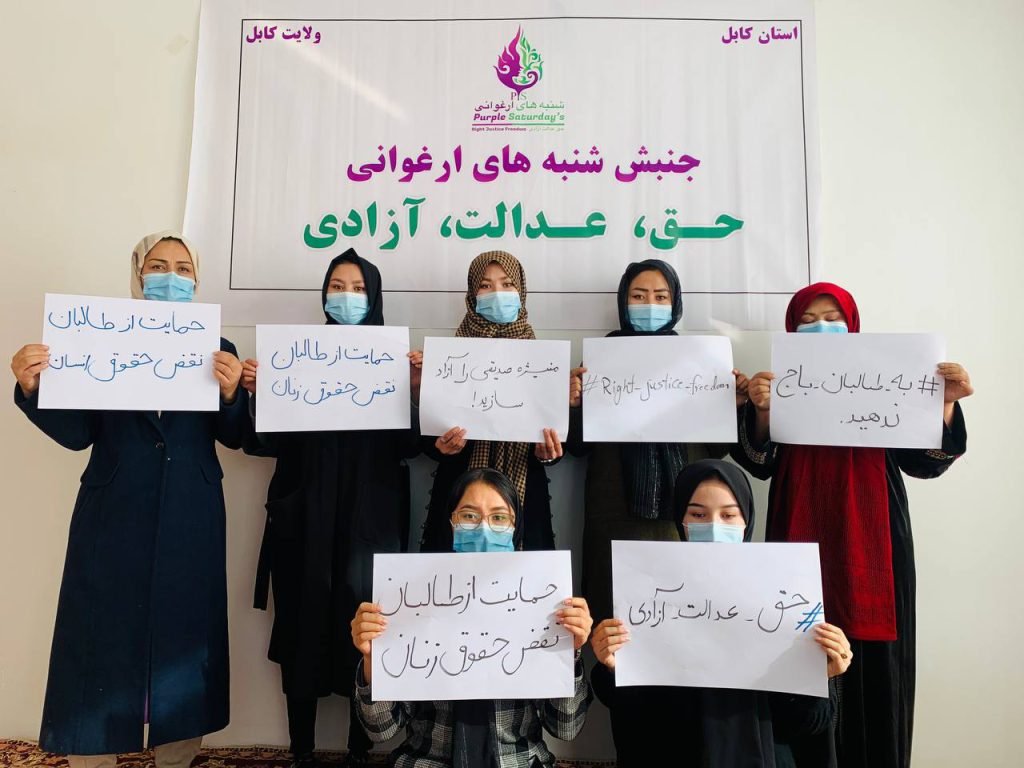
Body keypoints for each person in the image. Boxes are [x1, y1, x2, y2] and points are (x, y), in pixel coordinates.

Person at [9, 231, 248, 767]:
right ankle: (90, 754)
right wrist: (32, 389)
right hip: (113, 509)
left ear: (197, 280)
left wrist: (233, 394)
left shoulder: (220, 349)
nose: (171, 277)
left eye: (183, 268)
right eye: (158, 266)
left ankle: (178, 754)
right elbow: (78, 434)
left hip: (191, 512)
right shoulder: (95, 338)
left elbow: (235, 437)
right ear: (138, 275)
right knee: (98, 631)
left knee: (186, 636)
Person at [735, 282, 972, 768]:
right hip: (799, 531)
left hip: (875, 542)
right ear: (791, 330)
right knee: (797, 648)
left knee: (875, 674)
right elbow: (759, 462)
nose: (821, 328)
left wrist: (944, 403)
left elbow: (925, 463)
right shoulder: (784, 384)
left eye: (833, 319)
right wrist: (760, 412)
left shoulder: (887, 377)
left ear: (853, 326)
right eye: (807, 321)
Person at [240, 248, 421, 768]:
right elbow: (261, 443)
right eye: (337, 287)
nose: (347, 297)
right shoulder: (295, 358)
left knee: (367, 630)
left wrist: (413, 393)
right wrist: (260, 394)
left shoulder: (393, 363)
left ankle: (360, 749)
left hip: (371, 524)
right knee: (301, 625)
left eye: (358, 288)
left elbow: (409, 447)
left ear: (376, 296)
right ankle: (301, 750)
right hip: (305, 523)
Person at [590, 459, 851, 767]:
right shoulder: (648, 593)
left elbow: (805, 725)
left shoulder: (783, 595)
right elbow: (632, 714)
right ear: (680, 519)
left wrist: (818, 678)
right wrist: (613, 668)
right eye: (698, 514)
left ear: (747, 520)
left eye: (728, 515)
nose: (714, 526)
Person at [351, 468, 593, 767]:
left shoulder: (543, 603)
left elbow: (566, 728)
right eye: (468, 515)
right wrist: (372, 659)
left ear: (516, 526)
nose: (483, 528)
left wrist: (570, 653)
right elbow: (381, 729)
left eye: (499, 517)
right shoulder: (411, 598)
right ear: (451, 522)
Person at [566, 259, 749, 623]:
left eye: (660, 296)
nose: (649, 304)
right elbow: (577, 448)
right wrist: (573, 405)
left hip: (683, 517)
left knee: (682, 616)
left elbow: (715, 452)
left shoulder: (699, 363)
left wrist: (732, 407)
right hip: (614, 516)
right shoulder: (599, 361)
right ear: (623, 301)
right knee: (615, 620)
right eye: (638, 296)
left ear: (675, 302)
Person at [420, 251, 563, 552]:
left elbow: (555, 439)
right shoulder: (448, 357)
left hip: (525, 494)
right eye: (485, 285)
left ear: (521, 291)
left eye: (507, 284)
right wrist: (441, 446)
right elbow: (430, 438)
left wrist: (548, 453)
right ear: (472, 294)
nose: (497, 293)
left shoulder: (544, 360)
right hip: (459, 491)